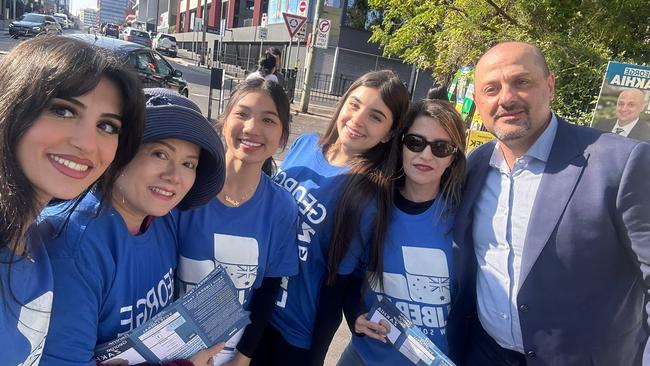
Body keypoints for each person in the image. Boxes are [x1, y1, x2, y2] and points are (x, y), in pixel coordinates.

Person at [448, 41, 650, 365]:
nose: (506, 98)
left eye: (521, 82)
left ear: (550, 85)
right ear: (478, 101)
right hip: (485, 354)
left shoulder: (622, 163)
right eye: (491, 88)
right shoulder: (473, 166)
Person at [41, 89, 226, 366]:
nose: (174, 176)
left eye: (189, 163)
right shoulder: (74, 246)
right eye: (160, 154)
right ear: (119, 152)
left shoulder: (162, 221)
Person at [249, 70, 411, 366]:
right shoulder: (305, 144)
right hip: (253, 306)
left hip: (295, 333)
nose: (357, 119)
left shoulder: (367, 195)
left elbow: (339, 283)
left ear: (389, 133)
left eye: (376, 117)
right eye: (355, 104)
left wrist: (315, 353)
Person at [0, 36, 145, 366]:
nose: (86, 143)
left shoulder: (35, 240)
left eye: (107, 125)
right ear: (13, 104)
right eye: (62, 110)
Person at [174, 78, 299, 366]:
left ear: (282, 137)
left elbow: (268, 290)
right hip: (172, 348)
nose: (252, 128)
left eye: (268, 120)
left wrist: (242, 358)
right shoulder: (186, 189)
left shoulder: (281, 207)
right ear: (223, 120)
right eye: (242, 114)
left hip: (230, 352)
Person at [338, 99, 467, 365]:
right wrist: (356, 317)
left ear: (453, 158)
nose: (426, 155)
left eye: (440, 147)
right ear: (401, 145)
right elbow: (348, 279)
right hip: (364, 358)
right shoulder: (371, 207)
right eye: (416, 142)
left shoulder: (465, 218)